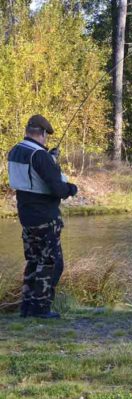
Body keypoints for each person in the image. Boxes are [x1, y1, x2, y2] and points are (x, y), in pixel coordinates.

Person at [7, 114, 78, 319]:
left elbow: (31, 176)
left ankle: (27, 308)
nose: (46, 140)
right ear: (43, 133)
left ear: (28, 131)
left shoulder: (15, 151)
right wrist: (72, 188)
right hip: (45, 216)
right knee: (51, 262)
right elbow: (58, 189)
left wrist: (51, 160)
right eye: (46, 136)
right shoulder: (40, 156)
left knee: (33, 261)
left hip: (26, 215)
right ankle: (41, 310)